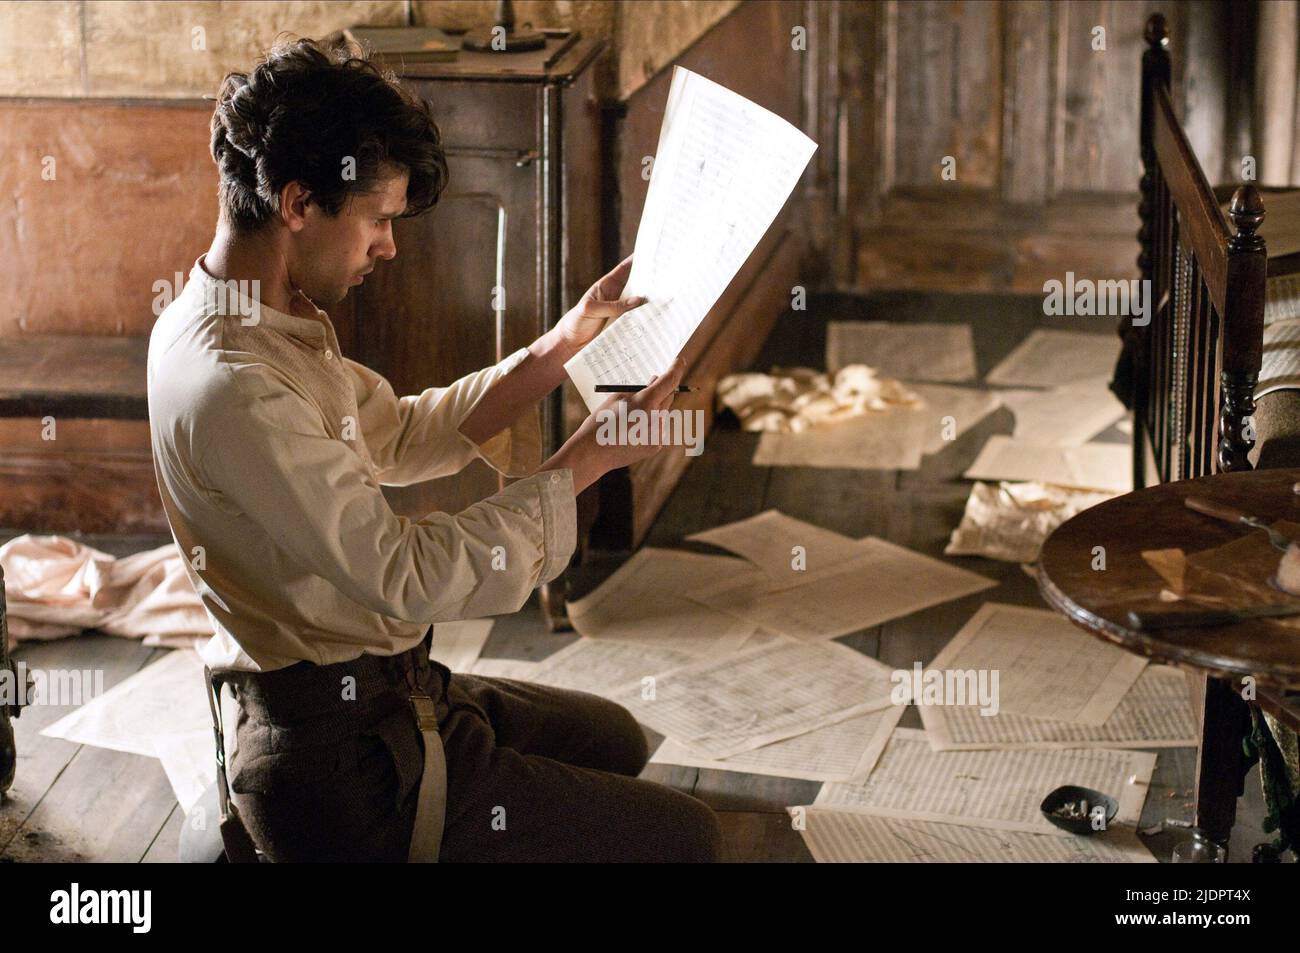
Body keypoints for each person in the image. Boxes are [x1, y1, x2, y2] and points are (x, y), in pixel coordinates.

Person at [147, 36, 719, 862]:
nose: (388, 245)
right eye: (378, 219)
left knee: (618, 738)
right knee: (688, 837)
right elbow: (403, 575)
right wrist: (586, 461)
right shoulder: (234, 381)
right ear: (299, 203)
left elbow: (403, 432)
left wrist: (557, 347)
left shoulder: (250, 313)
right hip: (337, 762)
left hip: (387, 691)